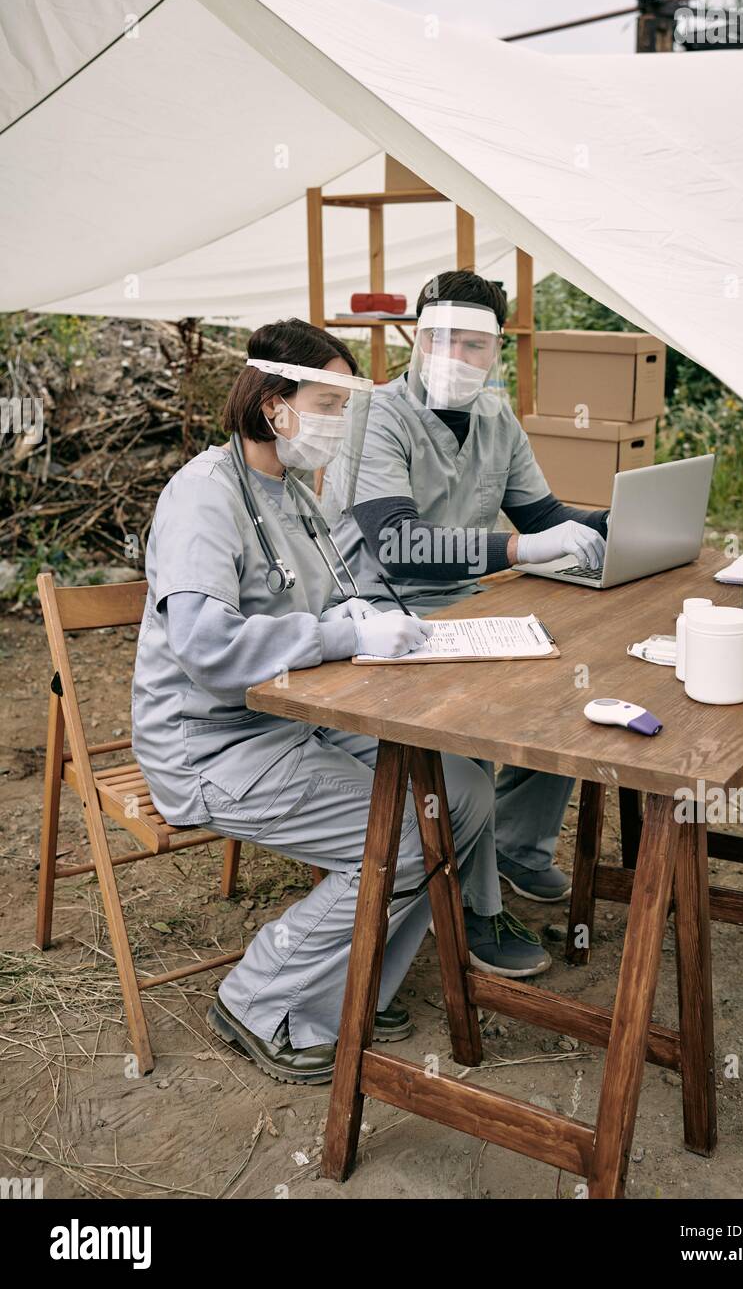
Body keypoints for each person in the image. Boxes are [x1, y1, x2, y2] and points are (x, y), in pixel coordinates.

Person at [131, 318, 498, 1085]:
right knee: (403, 839)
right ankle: (260, 998)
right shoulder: (204, 495)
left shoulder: (294, 493)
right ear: (274, 403)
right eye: (327, 403)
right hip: (211, 744)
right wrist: (336, 635)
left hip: (297, 718)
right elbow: (206, 645)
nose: (339, 421)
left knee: (460, 792)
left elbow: (336, 602)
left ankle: (358, 980)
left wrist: (384, 625)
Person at [332, 272, 610, 931]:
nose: (456, 357)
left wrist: (616, 521)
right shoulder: (375, 415)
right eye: (441, 339)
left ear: (496, 353)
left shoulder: (494, 415)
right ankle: (475, 909)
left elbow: (540, 513)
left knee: (572, 679)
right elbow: (398, 546)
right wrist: (520, 551)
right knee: (477, 712)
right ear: (418, 339)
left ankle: (515, 847)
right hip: (378, 609)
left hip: (463, 599)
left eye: (474, 345)